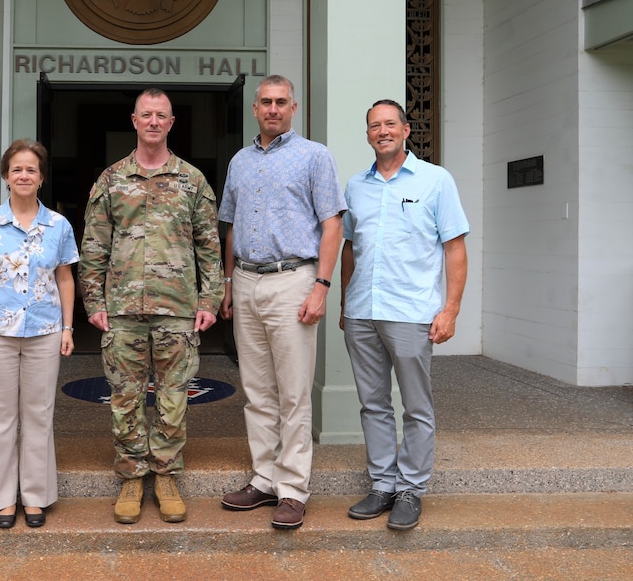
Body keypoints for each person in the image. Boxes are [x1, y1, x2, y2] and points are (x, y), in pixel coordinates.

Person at [79, 88, 223, 525]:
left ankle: (165, 474)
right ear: (135, 120)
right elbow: (94, 246)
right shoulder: (111, 179)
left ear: (172, 122)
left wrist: (209, 299)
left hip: (178, 306)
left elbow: (209, 247)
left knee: (174, 396)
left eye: (162, 115)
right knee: (124, 396)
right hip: (122, 307)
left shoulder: (193, 181)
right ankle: (130, 475)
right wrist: (93, 300)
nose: (154, 122)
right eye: (147, 115)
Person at [217, 75, 346, 531]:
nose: (273, 109)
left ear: (294, 107)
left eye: (281, 102)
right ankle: (264, 478)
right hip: (248, 281)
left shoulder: (314, 156)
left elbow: (333, 226)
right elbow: (230, 227)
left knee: (293, 392)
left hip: (294, 280)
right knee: (257, 391)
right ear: (255, 108)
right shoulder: (239, 161)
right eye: (265, 102)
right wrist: (228, 283)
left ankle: (292, 489)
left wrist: (322, 286)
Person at [340, 99, 469, 531]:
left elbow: (455, 248)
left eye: (390, 123)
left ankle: (411, 489)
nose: (382, 131)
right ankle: (383, 485)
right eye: (374, 125)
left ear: (406, 130)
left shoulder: (436, 180)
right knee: (373, 404)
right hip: (362, 312)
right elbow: (349, 248)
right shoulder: (356, 186)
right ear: (368, 135)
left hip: (412, 312)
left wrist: (449, 309)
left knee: (416, 406)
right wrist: (344, 304)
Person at [0, 139, 79, 529]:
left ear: (41, 177)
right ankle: (2, 498)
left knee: (39, 414)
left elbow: (65, 276)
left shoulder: (58, 225)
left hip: (44, 329)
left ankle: (36, 497)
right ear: (6, 176)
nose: (24, 175)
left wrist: (67, 327)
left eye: (31, 169)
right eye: (17, 169)